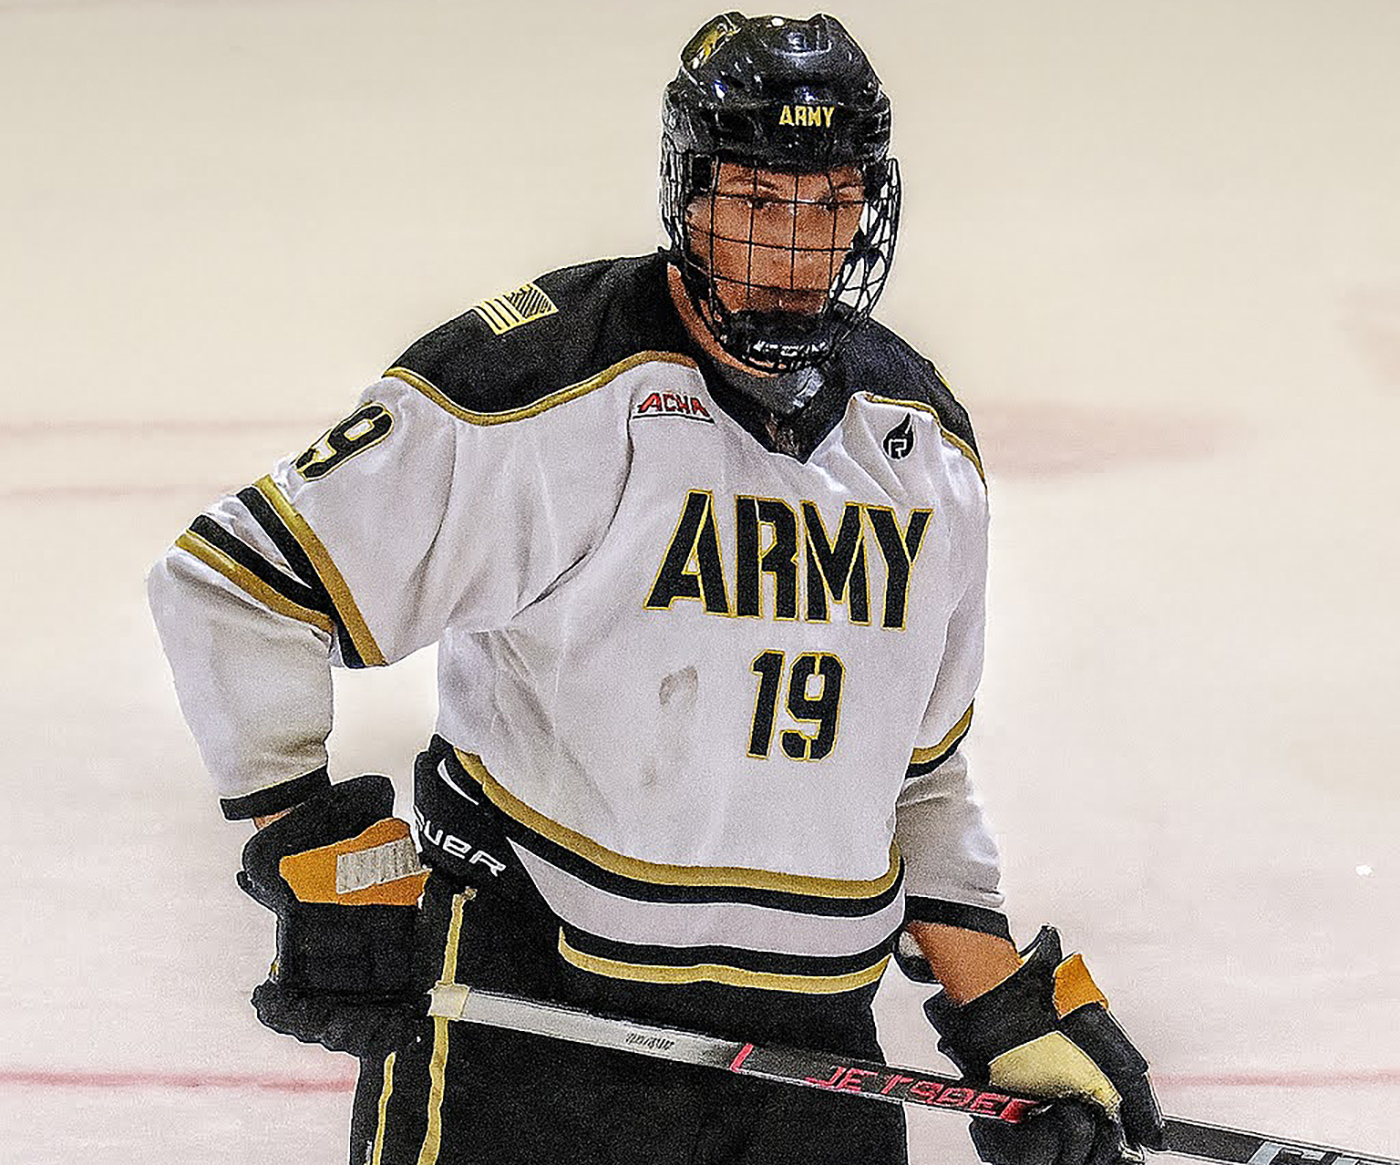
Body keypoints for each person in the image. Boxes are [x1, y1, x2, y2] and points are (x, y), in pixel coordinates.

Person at [149, 12, 1163, 1165]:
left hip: (808, 1054)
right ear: (688, 197)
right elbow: (233, 587)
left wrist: (1002, 1010)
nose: (794, 249)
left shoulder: (919, 447)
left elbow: (914, 777)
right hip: (529, 1027)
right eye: (757, 200)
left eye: (828, 204)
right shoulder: (536, 391)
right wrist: (319, 850)